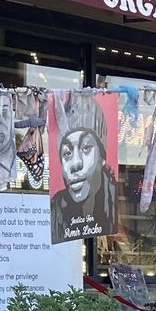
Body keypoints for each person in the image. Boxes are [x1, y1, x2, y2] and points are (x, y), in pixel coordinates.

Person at [48, 92, 118, 242]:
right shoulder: (55, 211)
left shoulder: (115, 202)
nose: (75, 164)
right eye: (66, 153)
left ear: (102, 157)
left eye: (86, 148)